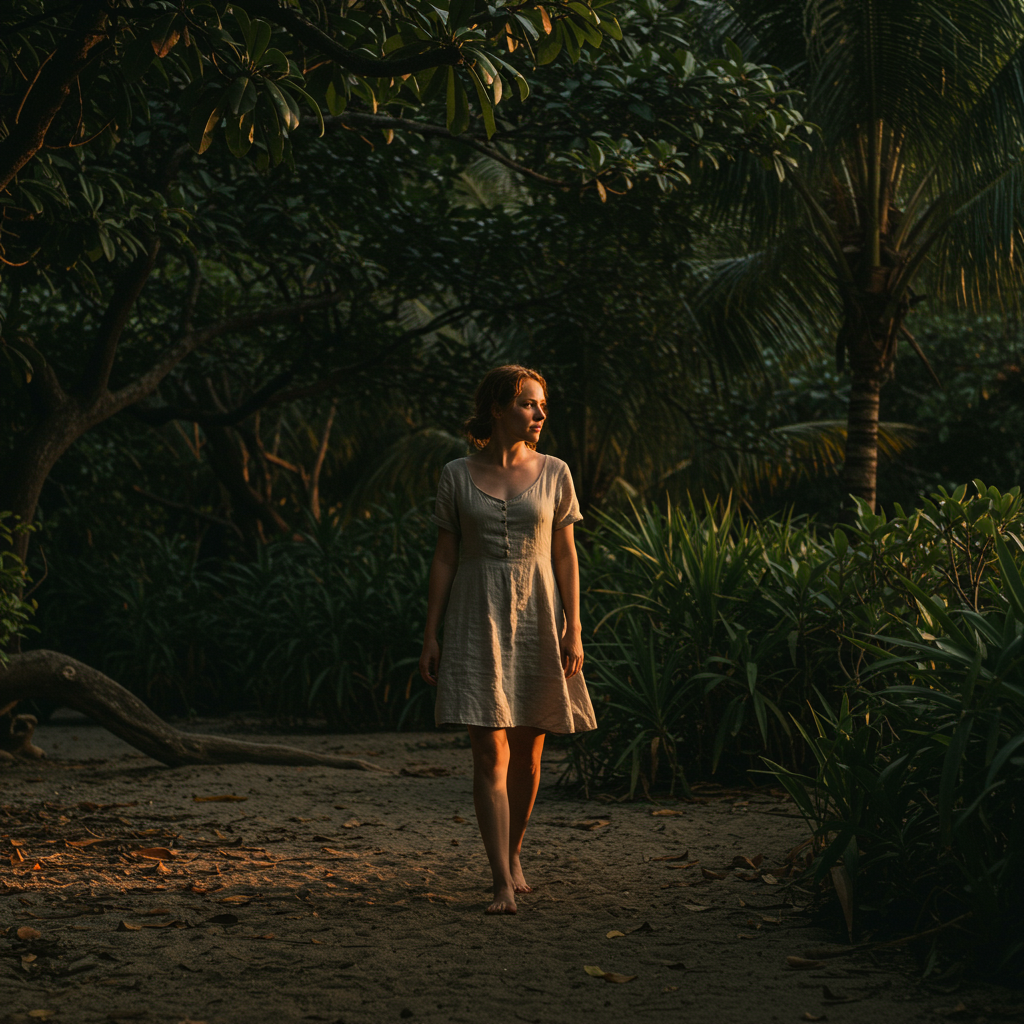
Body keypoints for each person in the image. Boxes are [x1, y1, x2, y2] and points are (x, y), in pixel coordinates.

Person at [418, 365, 597, 915]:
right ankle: (500, 879)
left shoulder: (556, 472)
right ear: (498, 408)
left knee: (529, 752)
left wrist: (575, 625)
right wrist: (431, 633)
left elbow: (566, 555)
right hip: (475, 615)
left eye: (542, 406)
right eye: (529, 404)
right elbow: (445, 556)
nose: (540, 415)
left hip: (538, 612)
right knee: (486, 750)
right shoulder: (455, 473)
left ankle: (514, 853)